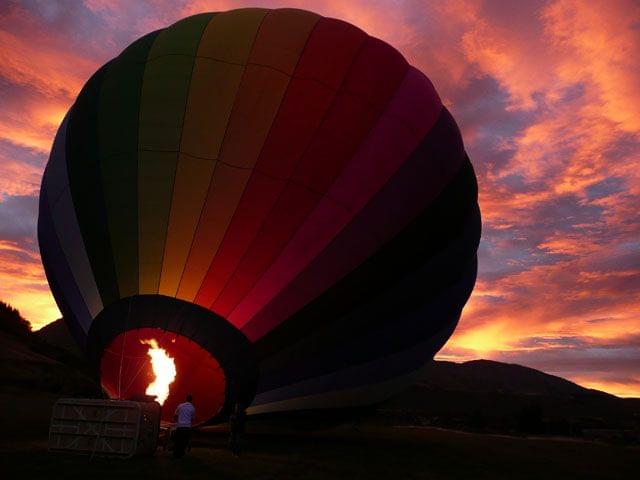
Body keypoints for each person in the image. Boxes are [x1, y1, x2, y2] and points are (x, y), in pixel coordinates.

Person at [172, 394, 196, 458]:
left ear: (186, 399)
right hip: (187, 427)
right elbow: (192, 419)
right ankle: (181, 454)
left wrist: (174, 422)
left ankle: (175, 454)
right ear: (191, 400)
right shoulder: (192, 408)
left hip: (180, 426)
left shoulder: (180, 406)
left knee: (178, 441)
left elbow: (175, 415)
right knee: (184, 441)